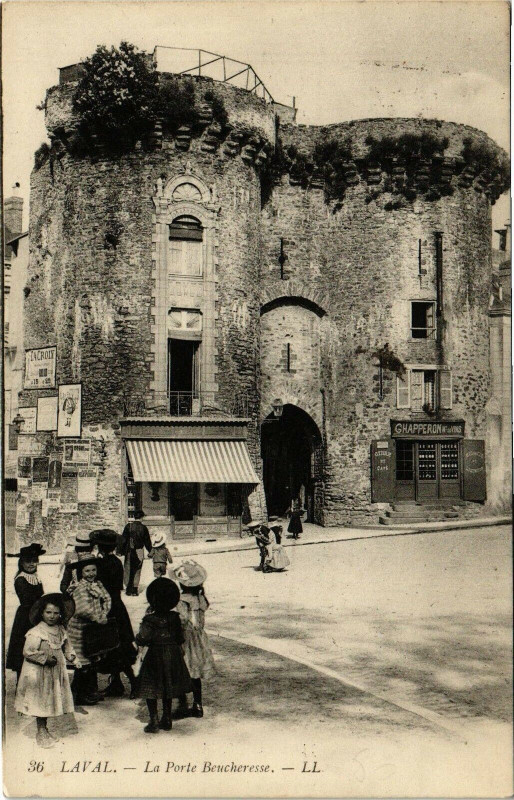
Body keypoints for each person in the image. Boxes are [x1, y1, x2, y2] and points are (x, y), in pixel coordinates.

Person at [14, 593, 77, 748]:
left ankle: (45, 729)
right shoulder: (36, 632)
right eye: (48, 612)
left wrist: (72, 657)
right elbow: (28, 652)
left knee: (50, 700)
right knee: (41, 700)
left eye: (56, 613)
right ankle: (41, 731)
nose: (52, 616)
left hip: (55, 672)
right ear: (41, 613)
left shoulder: (61, 629)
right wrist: (45, 659)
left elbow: (67, 646)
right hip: (39, 673)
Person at [135, 578, 191, 734]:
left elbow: (143, 638)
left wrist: (137, 637)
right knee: (168, 685)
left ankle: (153, 720)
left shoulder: (149, 619)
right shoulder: (174, 617)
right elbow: (180, 637)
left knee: (150, 686)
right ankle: (167, 717)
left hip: (155, 655)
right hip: (173, 654)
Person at [90, 529, 138, 699]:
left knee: (115, 647)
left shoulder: (102, 564)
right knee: (116, 648)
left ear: (100, 547)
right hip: (117, 606)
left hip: (108, 608)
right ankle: (116, 684)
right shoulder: (116, 562)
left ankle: (134, 683)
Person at [66, 558, 112, 707]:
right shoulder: (79, 588)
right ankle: (78, 694)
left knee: (92, 661)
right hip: (80, 630)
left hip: (92, 629)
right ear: (81, 572)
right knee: (83, 664)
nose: (91, 573)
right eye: (87, 571)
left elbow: (107, 599)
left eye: (93, 570)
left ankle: (90, 691)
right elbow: (82, 609)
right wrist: (97, 618)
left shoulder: (98, 585)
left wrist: (104, 614)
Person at [173, 561, 215, 719]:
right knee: (195, 672)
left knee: (182, 670)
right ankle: (198, 704)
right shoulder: (201, 598)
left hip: (185, 638)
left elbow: (183, 620)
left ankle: (182, 703)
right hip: (199, 638)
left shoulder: (182, 600)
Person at [6, 544, 45, 683]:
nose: (31, 564)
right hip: (25, 617)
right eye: (28, 561)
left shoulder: (36, 577)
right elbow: (28, 599)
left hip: (36, 614)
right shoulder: (21, 579)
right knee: (23, 647)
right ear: (21, 562)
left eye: (34, 561)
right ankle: (21, 684)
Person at [119, 511, 152, 596]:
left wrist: (120, 551)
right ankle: (135, 590)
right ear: (142, 517)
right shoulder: (143, 528)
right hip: (139, 550)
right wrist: (151, 551)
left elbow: (123, 540)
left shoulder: (128, 526)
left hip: (129, 551)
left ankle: (128, 589)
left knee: (128, 569)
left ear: (134, 517)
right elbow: (147, 541)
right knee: (137, 569)